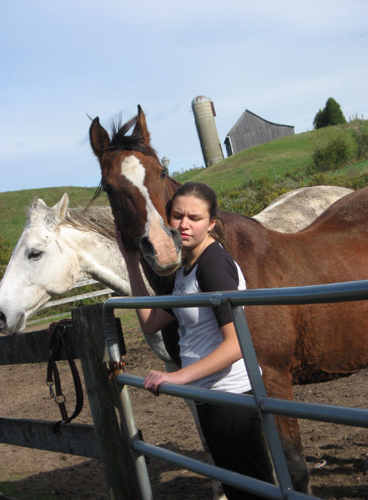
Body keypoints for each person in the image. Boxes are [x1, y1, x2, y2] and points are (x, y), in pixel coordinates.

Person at [115, 181, 275, 499]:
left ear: (211, 223)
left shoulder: (213, 265)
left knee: (253, 489)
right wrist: (132, 263)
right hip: (211, 398)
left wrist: (178, 376)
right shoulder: (187, 268)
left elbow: (237, 343)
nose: (184, 224)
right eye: (177, 215)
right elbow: (150, 323)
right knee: (237, 486)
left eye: (195, 217)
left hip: (232, 398)